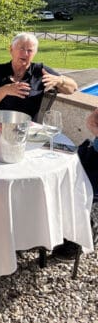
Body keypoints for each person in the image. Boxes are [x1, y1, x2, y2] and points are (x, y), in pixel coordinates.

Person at [0, 32, 77, 120]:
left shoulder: (40, 71)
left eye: (30, 50)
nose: (25, 53)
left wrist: (60, 80)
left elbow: (73, 88)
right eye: (21, 48)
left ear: (35, 53)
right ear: (11, 49)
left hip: (27, 128)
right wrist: (5, 90)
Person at [52, 108, 98, 260]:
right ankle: (52, 225)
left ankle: (81, 234)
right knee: (55, 163)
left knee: (76, 186)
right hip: (93, 152)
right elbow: (92, 120)